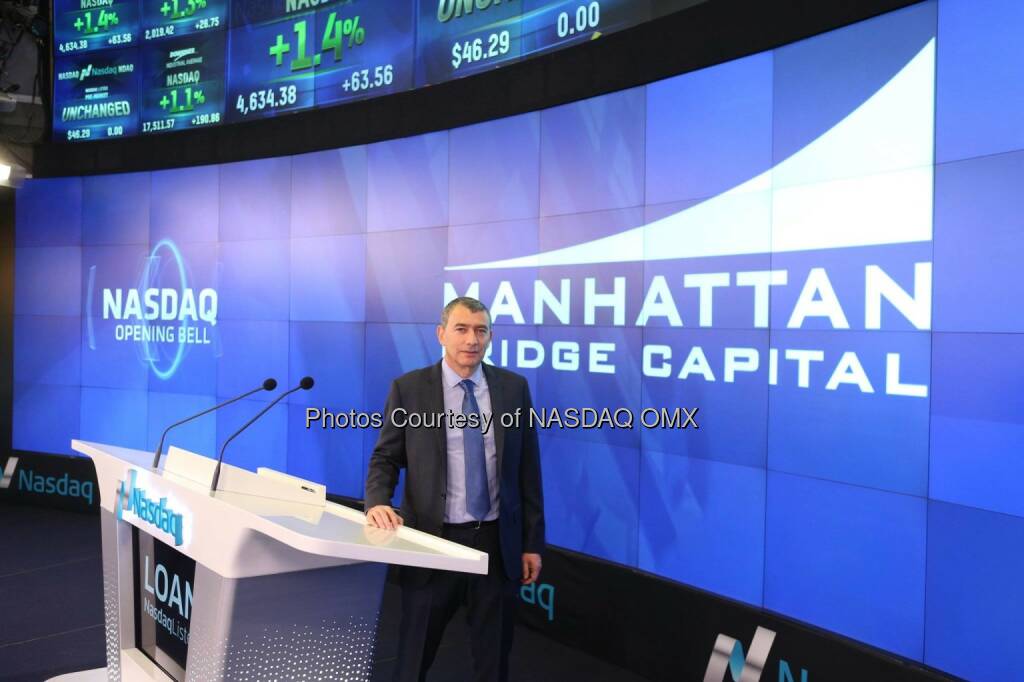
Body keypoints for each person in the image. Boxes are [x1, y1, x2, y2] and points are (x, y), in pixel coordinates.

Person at [364, 296, 545, 682]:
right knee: (413, 660)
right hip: (433, 543)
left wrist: (531, 542)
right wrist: (377, 502)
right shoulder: (410, 389)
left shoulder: (513, 389)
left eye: (481, 330)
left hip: (496, 545)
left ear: (491, 336)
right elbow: (385, 458)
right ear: (441, 334)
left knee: (493, 662)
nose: (471, 340)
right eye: (461, 329)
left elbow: (528, 470)